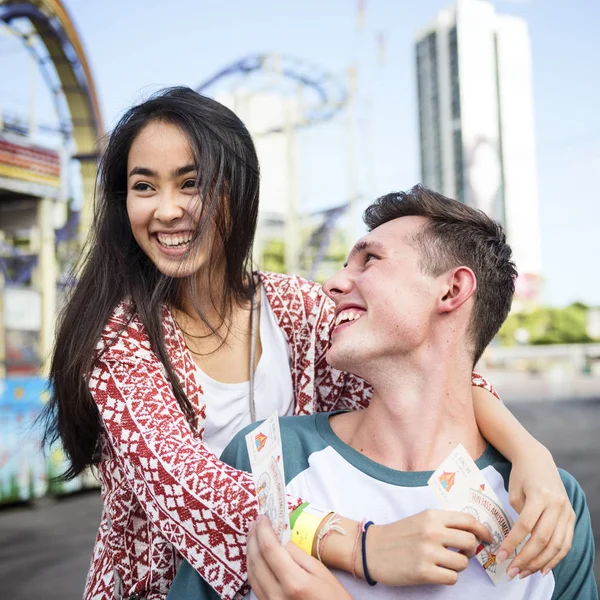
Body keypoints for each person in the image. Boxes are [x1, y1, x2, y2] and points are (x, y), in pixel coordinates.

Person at [42, 87, 574, 600]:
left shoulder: (295, 307)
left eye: (190, 183)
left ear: (237, 190)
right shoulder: (118, 339)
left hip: (307, 583)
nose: (166, 209)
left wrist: (530, 453)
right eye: (144, 186)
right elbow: (188, 486)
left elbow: (436, 373)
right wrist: (363, 545)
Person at [169, 186, 596, 600]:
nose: (332, 284)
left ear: (451, 290)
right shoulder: (267, 456)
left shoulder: (546, 505)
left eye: (369, 260)